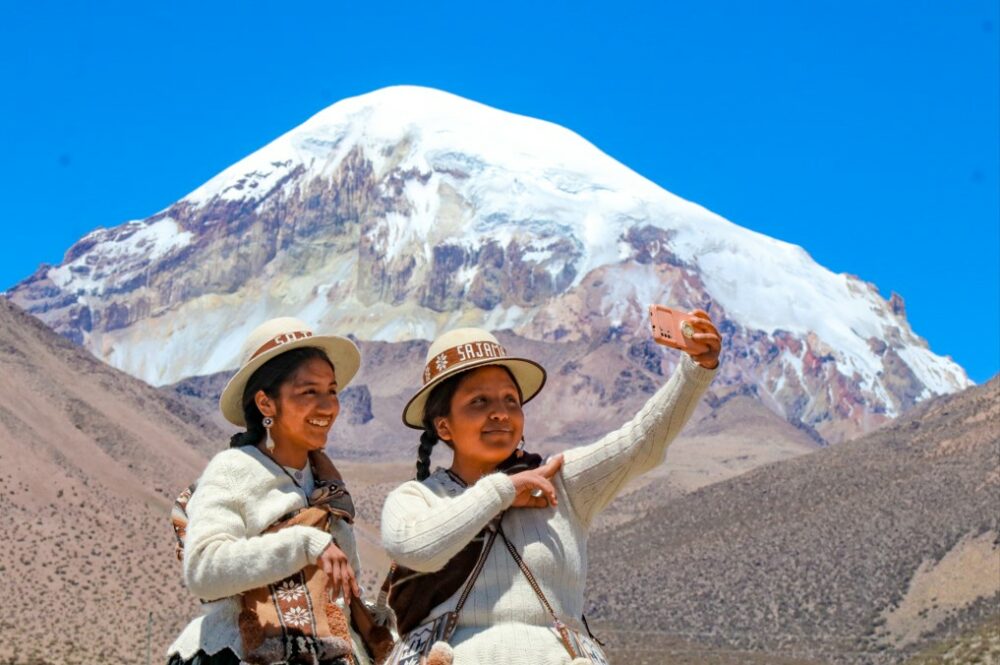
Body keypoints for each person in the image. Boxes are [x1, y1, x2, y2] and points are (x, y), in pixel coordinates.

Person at [380, 310, 721, 664]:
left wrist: (695, 370)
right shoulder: (417, 498)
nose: (500, 412)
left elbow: (640, 442)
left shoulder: (560, 482)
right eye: (479, 401)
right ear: (444, 426)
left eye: (510, 400)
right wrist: (503, 492)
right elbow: (417, 548)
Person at [167, 317, 377, 665]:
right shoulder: (233, 469)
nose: (328, 406)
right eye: (310, 392)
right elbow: (203, 570)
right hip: (238, 652)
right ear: (266, 404)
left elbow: (344, 593)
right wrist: (304, 544)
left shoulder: (327, 483)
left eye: (332, 391)